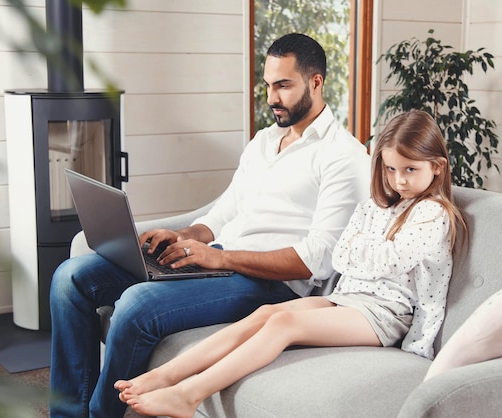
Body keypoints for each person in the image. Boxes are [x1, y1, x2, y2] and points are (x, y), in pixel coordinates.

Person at [49, 33, 370, 417]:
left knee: (136, 304)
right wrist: (186, 236)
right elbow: (224, 211)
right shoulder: (264, 142)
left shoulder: (344, 157)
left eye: (283, 86)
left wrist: (221, 260)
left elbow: (317, 260)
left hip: (271, 286)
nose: (271, 98)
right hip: (219, 263)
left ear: (316, 82)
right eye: (268, 85)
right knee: (70, 277)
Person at [114, 109, 468, 418]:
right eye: (390, 169)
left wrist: (364, 250)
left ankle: (188, 396)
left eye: (410, 169)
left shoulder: (432, 213)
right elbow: (342, 255)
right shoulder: (378, 206)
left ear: (436, 168)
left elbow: (390, 261)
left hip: (388, 314)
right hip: (352, 298)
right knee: (266, 312)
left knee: (284, 322)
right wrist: (364, 252)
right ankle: (164, 375)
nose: (399, 180)